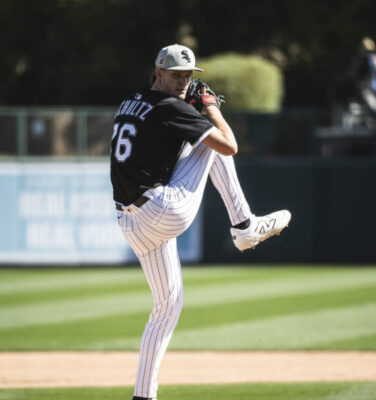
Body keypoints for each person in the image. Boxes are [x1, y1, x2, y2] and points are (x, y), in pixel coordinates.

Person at [110, 44, 291, 400]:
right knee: (212, 142)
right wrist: (211, 109)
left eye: (188, 75)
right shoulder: (171, 108)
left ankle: (142, 396)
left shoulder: (130, 102)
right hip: (161, 212)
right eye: (176, 74)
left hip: (130, 222)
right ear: (158, 72)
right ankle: (244, 227)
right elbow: (230, 146)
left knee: (167, 304)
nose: (183, 82)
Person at [353, 37, 376, 130]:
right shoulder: (361, 59)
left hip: (373, 88)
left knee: (375, 108)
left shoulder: (375, 58)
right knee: (368, 109)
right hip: (366, 88)